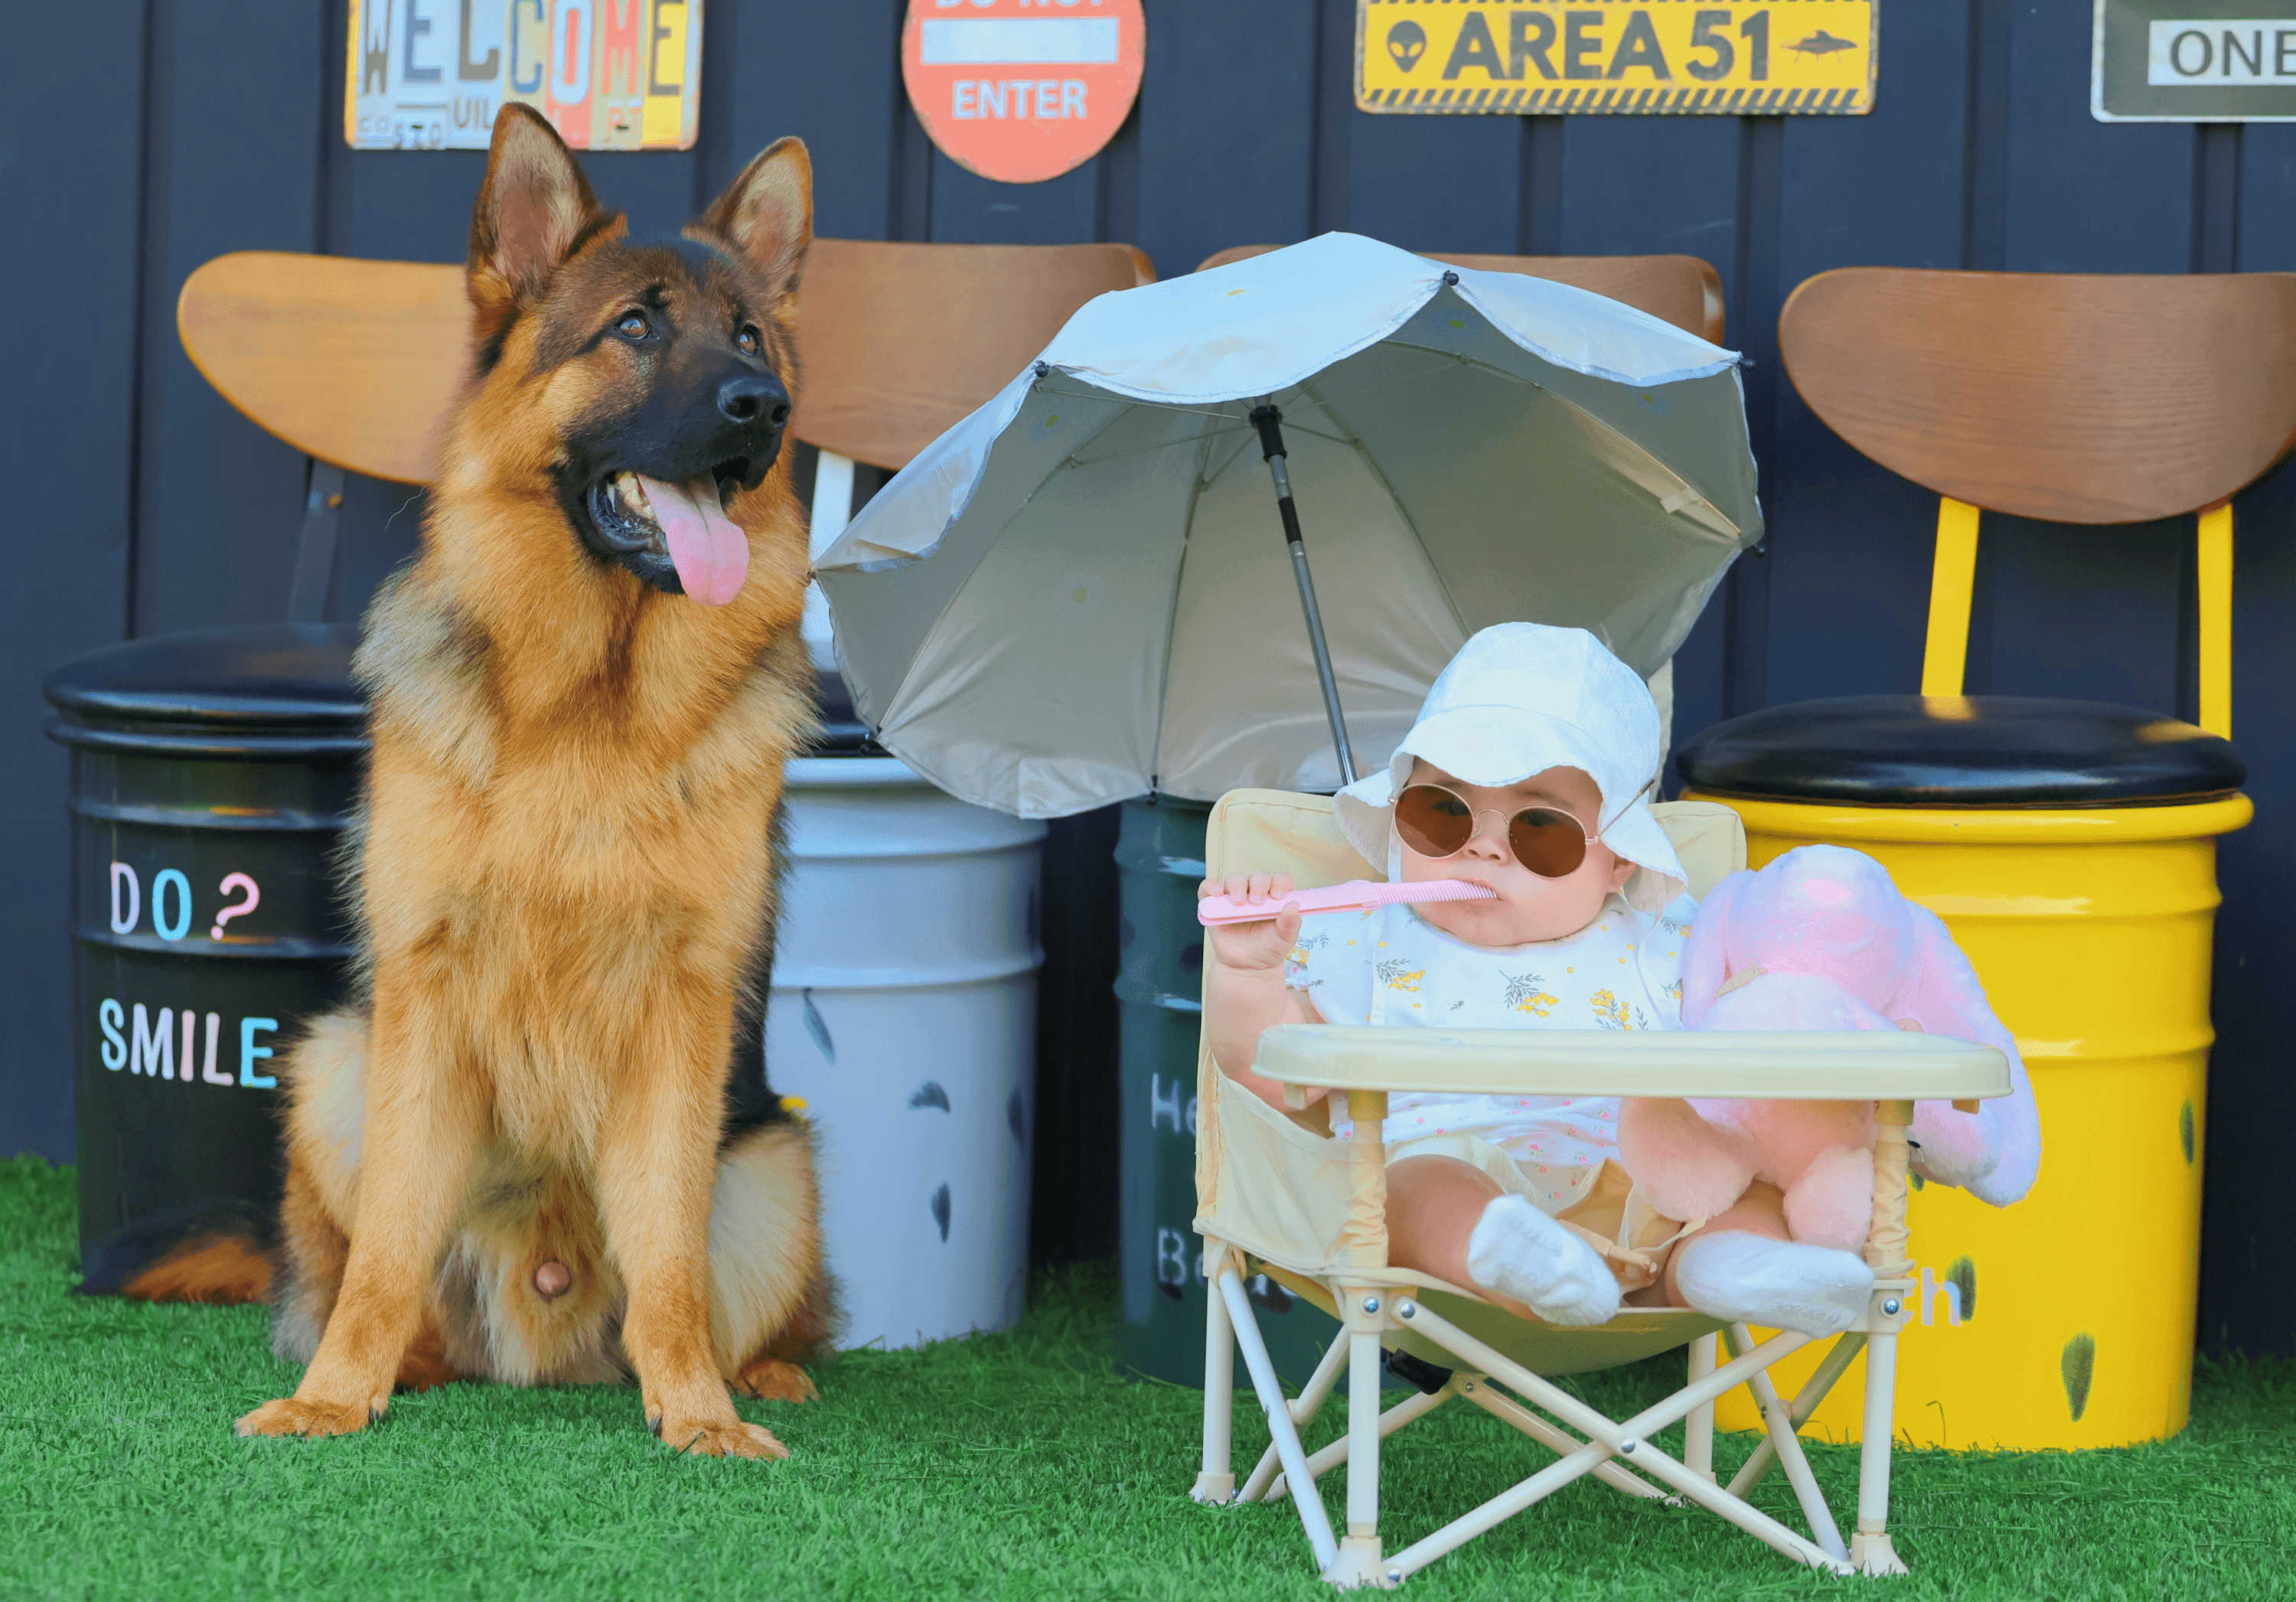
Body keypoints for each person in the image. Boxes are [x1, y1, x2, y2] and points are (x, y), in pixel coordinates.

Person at [1199, 623, 1875, 1336]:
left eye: (1539, 830)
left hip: (1657, 1192)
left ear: (1618, 860)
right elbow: (1269, 1074)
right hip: (1456, 1200)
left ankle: (1735, 1264)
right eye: (1443, 813)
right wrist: (1250, 970)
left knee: (1741, 1190)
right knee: (1410, 1189)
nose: (1484, 845)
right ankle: (1528, 1265)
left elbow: (1759, 1038)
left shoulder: (1674, 938)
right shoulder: (1362, 937)